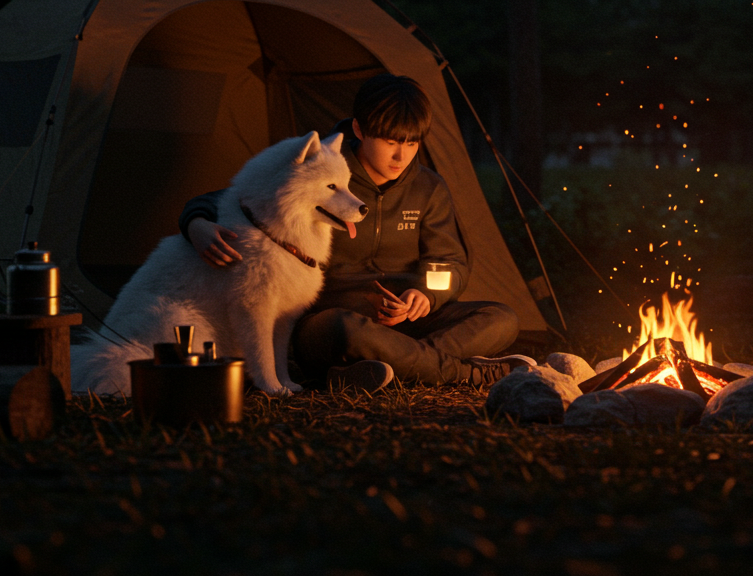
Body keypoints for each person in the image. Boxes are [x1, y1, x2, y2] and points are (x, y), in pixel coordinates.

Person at [179, 74, 530, 392]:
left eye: (411, 143)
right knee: (342, 328)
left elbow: (448, 260)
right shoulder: (324, 169)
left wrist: (424, 295)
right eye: (391, 141)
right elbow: (236, 197)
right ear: (360, 130)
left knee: (501, 318)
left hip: (407, 323)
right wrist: (195, 223)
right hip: (333, 324)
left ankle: (380, 368)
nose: (401, 155)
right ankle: (465, 373)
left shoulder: (427, 189)